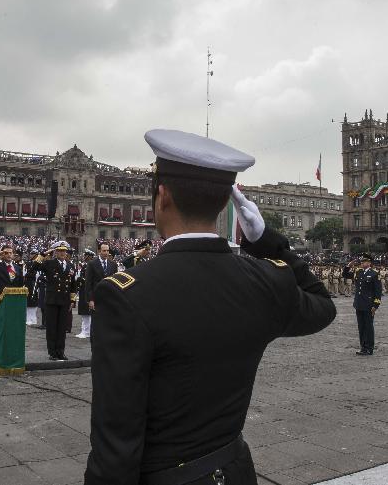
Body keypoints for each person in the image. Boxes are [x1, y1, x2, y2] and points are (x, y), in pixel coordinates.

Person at [84, 128, 336, 485]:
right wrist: (268, 243)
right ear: (224, 204)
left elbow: (116, 443)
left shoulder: (126, 295)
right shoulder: (266, 281)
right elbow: (323, 306)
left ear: (163, 196)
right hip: (235, 471)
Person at [41, 241, 77, 360]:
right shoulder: (49, 263)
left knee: (62, 328)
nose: (62, 253)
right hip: (52, 299)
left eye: (64, 251)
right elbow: (34, 267)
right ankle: (52, 352)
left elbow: (73, 285)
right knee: (52, 327)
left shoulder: (71, 265)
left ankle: (60, 351)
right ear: (55, 252)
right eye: (60, 251)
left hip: (64, 300)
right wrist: (44, 253)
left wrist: (72, 301)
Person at [353, 254, 381, 356]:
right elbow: (346, 274)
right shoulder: (358, 272)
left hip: (369, 305)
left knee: (368, 326)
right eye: (361, 262)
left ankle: (369, 348)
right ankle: (363, 347)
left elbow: (378, 291)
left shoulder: (374, 274)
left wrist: (375, 305)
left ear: (369, 263)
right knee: (361, 326)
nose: (362, 263)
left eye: (364, 262)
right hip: (359, 303)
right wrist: (348, 266)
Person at [85, 241, 116, 324]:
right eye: (104, 251)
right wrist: (90, 300)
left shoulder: (113, 264)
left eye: (107, 251)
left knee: (108, 322)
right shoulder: (92, 264)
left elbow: (114, 283)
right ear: (99, 251)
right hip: (96, 298)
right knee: (96, 322)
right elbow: (88, 283)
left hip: (108, 298)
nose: (106, 253)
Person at [75, 248, 96, 338]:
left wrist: (82, 279)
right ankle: (84, 330)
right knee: (84, 312)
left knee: (87, 312)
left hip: (87, 290)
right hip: (83, 289)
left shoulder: (90, 266)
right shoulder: (86, 265)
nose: (84, 257)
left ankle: (87, 331)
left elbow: (90, 279)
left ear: (89, 256)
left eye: (85, 256)